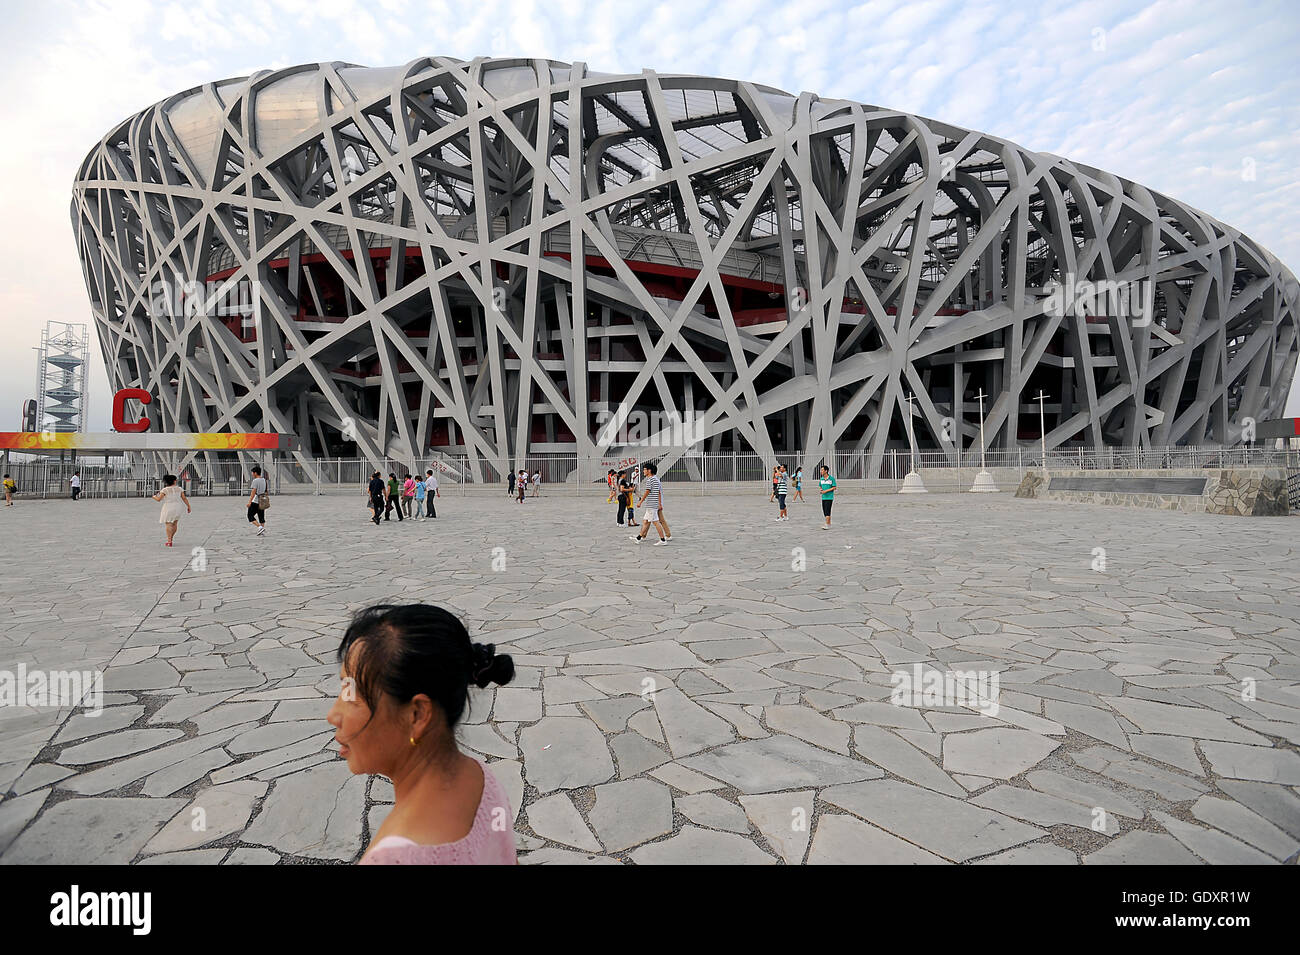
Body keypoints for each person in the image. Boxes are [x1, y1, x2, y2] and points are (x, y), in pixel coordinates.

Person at [329, 604, 518, 865]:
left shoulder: (394, 859)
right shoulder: (483, 779)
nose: (333, 715)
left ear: (417, 715)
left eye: (352, 697)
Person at [631, 462, 668, 545]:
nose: (643, 471)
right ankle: (639, 538)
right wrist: (659, 503)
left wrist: (640, 501)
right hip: (652, 504)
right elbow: (658, 492)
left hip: (651, 505)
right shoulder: (655, 479)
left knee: (655, 522)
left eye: (644, 469)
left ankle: (662, 540)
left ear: (649, 470)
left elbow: (647, 491)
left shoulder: (650, 480)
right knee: (645, 521)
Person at [152, 473, 191, 546]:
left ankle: (169, 540)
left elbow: (158, 499)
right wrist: (188, 506)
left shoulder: (164, 490)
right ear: (174, 481)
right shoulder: (179, 489)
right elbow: (184, 498)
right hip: (178, 506)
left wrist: (154, 496)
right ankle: (171, 538)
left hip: (168, 506)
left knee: (168, 524)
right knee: (175, 524)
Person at [247, 466, 268, 535]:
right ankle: (262, 530)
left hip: (256, 500)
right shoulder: (264, 480)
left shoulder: (255, 481)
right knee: (261, 516)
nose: (252, 474)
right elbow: (266, 490)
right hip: (262, 500)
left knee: (250, 515)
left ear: (255, 473)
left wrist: (249, 501)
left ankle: (260, 527)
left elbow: (253, 491)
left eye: (252, 473)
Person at [818, 463, 837, 529]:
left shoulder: (831, 478)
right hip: (823, 497)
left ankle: (827, 524)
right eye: (821, 470)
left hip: (829, 497)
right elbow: (820, 485)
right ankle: (828, 523)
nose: (821, 471)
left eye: (822, 470)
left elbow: (834, 487)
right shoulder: (821, 479)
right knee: (824, 510)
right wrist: (821, 489)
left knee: (827, 510)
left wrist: (826, 491)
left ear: (826, 471)